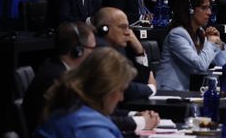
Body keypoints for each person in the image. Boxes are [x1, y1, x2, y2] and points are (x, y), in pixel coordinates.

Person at [23, 22, 158, 134]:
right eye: (92, 49)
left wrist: (134, 115)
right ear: (78, 51)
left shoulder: (63, 72)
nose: (96, 54)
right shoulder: (56, 78)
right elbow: (86, 120)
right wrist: (140, 122)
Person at [35, 47, 137, 138]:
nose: (121, 98)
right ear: (105, 88)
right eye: (121, 90)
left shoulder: (71, 107)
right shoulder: (87, 127)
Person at [157, 0, 226, 90]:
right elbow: (200, 65)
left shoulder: (199, 33)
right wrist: (210, 43)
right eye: (204, 8)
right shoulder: (177, 35)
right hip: (170, 93)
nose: (209, 12)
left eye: (209, 8)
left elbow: (222, 63)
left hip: (189, 92)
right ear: (190, 10)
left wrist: (218, 42)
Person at [92, 7, 158, 100]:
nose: (128, 33)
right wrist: (151, 88)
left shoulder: (121, 49)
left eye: (128, 27)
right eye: (123, 27)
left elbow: (140, 80)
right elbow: (122, 88)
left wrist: (139, 51)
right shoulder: (98, 51)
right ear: (104, 29)